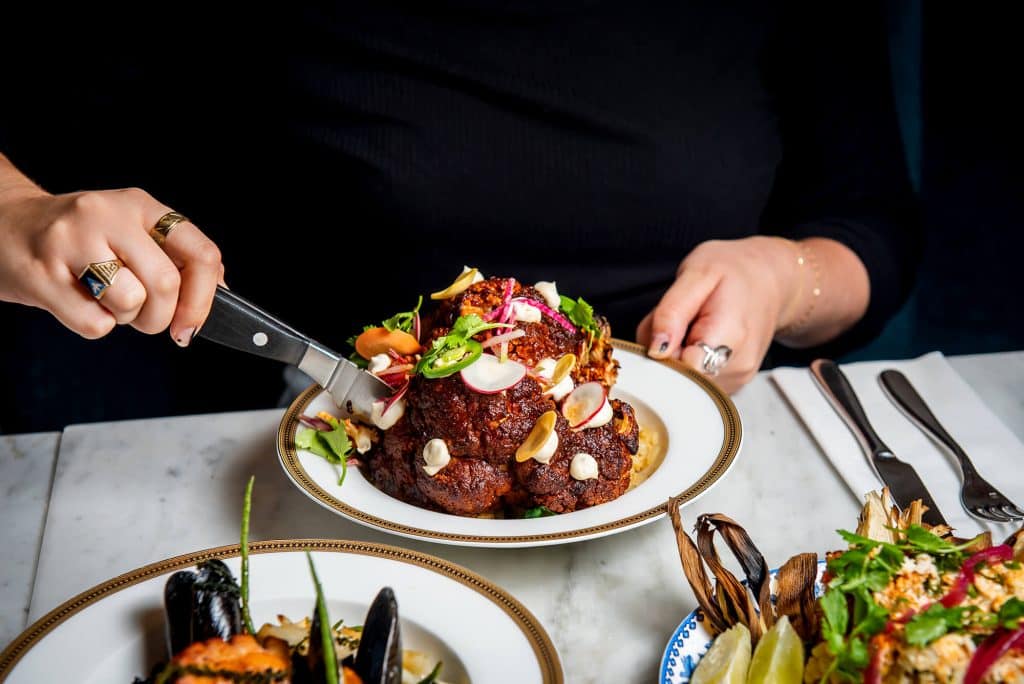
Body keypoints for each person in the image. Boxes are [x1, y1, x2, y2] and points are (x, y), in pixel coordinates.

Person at [0, 2, 918, 427]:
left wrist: (779, 277)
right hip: (341, 437)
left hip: (706, 435)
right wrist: (19, 211)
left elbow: (873, 233)